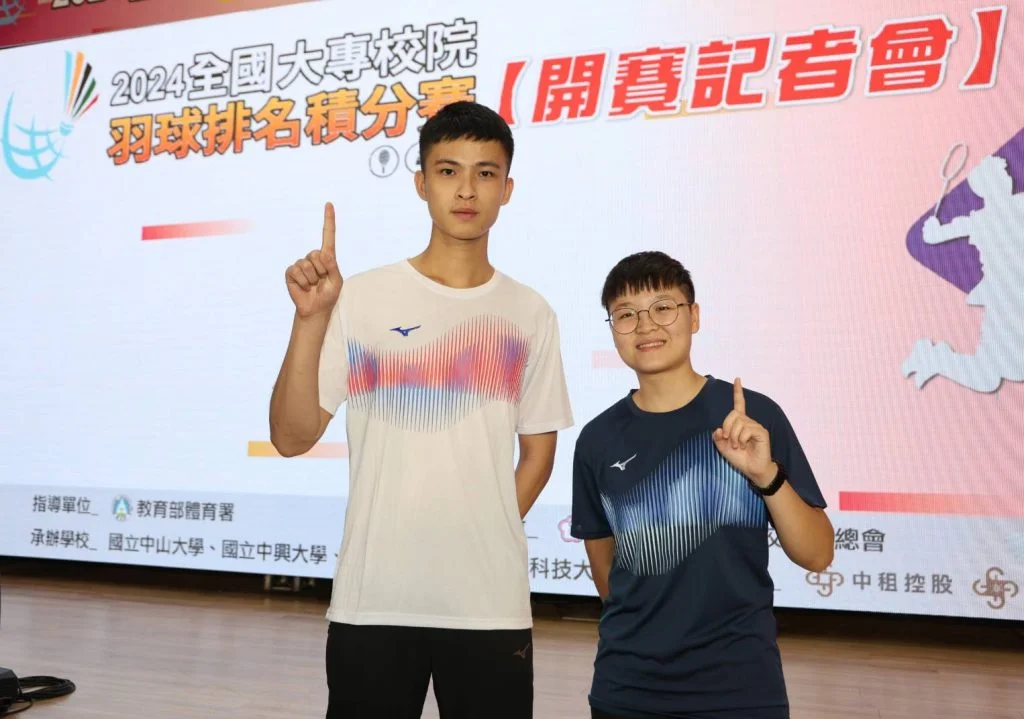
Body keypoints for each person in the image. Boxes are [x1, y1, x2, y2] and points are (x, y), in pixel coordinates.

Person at [268, 101, 574, 718]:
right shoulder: (362, 297)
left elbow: (539, 454)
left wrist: (477, 524)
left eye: (486, 173)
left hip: (489, 604)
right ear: (420, 183)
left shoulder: (531, 312)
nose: (467, 190)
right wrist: (309, 321)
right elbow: (291, 436)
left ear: (507, 189)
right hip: (372, 599)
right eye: (448, 170)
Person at [570, 251, 834, 719]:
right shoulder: (597, 439)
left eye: (663, 308)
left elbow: (817, 554)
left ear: (694, 316)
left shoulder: (752, 417)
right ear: (612, 328)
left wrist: (766, 476)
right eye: (626, 314)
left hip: (741, 687)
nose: (646, 326)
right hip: (626, 687)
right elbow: (606, 570)